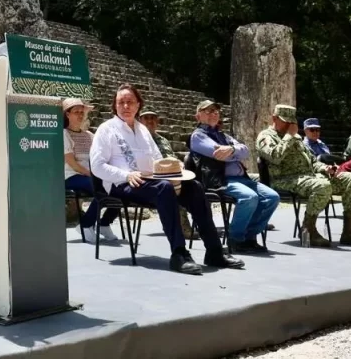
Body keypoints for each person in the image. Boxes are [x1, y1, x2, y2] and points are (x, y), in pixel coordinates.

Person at [90, 85, 244, 275]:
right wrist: (126, 175)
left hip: (150, 181)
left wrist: (174, 167)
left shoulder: (143, 130)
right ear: (115, 105)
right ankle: (179, 253)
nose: (126, 106)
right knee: (164, 189)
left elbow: (157, 159)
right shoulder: (106, 130)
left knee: (194, 187)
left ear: (138, 105)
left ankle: (214, 251)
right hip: (122, 184)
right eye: (121, 102)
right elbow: (97, 166)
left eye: (130, 101)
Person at [256, 104, 351, 247]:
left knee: (349, 178)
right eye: (285, 121)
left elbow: (312, 161)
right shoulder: (266, 137)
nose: (289, 124)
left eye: (291, 121)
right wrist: (289, 137)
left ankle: (350, 231)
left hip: (309, 177)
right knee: (322, 185)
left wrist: (326, 169)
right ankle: (308, 229)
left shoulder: (297, 139)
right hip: (285, 178)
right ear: (274, 118)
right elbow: (274, 156)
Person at [190, 100, 279, 254]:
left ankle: (248, 236)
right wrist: (235, 153)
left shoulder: (223, 136)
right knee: (249, 197)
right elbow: (217, 154)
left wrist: (231, 150)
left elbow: (245, 150)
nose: (214, 113)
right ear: (197, 116)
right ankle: (236, 239)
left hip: (242, 179)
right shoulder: (198, 136)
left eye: (216, 111)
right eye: (208, 111)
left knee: (272, 197)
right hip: (220, 180)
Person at [62, 98, 120, 241]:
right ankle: (86, 224)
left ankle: (105, 223)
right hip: (71, 176)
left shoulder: (90, 136)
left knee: (119, 185)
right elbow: (72, 163)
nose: (80, 115)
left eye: (82, 112)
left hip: (91, 175)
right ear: (67, 114)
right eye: (76, 112)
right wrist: (95, 174)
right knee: (102, 186)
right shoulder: (64, 134)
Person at [140, 110, 197, 240]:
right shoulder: (139, 140)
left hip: (170, 172)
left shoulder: (163, 140)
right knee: (174, 188)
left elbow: (171, 156)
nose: (150, 121)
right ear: (140, 121)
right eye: (146, 118)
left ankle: (199, 225)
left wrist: (179, 164)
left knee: (194, 187)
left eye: (153, 118)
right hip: (152, 176)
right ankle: (183, 228)